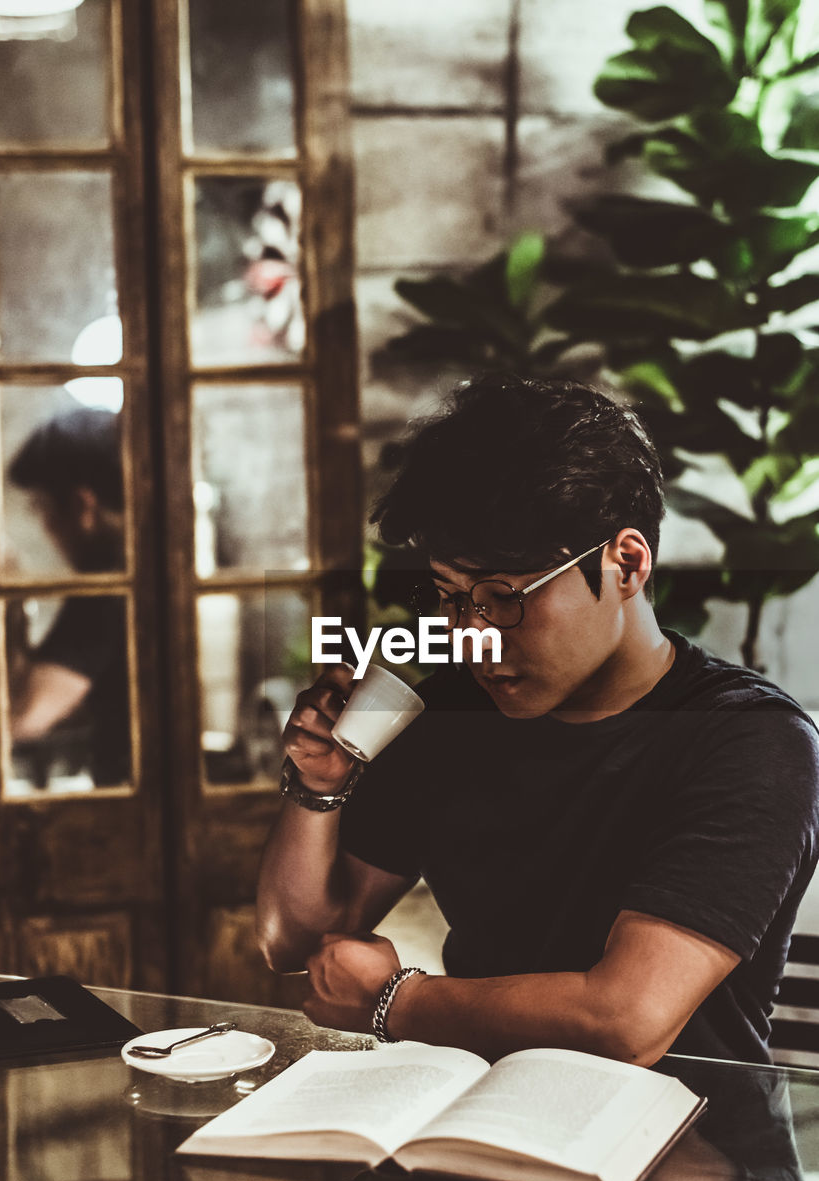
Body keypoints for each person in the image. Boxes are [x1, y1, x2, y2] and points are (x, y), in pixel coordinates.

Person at [257, 376, 819, 1066]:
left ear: (625, 563)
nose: (471, 635)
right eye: (449, 596)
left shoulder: (748, 740)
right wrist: (317, 786)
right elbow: (295, 942)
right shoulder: (453, 716)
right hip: (488, 1120)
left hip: (695, 1142)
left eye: (502, 595)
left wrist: (394, 1003)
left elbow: (624, 1021)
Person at [7, 407, 129, 787]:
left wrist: (6, 596)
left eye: (43, 508)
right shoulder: (139, 566)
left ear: (81, 505)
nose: (45, 526)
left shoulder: (109, 585)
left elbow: (23, 716)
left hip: (129, 805)